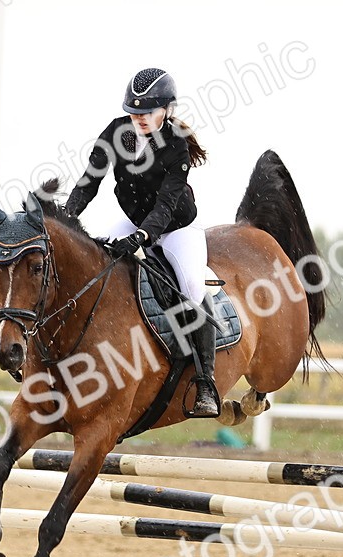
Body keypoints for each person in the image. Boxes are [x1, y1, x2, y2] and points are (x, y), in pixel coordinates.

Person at [64, 67, 220, 417]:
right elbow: (90, 182)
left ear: (167, 109)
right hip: (132, 221)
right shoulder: (116, 132)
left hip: (178, 227)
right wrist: (67, 214)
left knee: (193, 286)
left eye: (148, 111)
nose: (140, 118)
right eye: (135, 112)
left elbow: (166, 205)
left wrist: (143, 236)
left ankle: (206, 382)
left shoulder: (176, 141)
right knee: (97, 262)